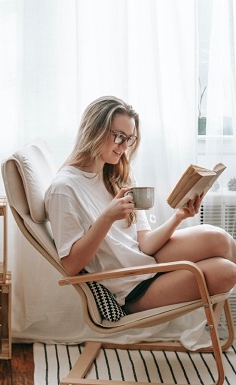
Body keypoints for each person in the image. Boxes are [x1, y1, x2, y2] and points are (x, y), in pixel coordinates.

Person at [44, 95, 236, 314]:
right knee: (226, 272)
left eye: (130, 139)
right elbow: (70, 266)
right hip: (131, 287)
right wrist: (107, 218)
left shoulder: (115, 175)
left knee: (219, 238)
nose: (125, 146)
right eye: (119, 137)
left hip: (146, 261)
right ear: (94, 130)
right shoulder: (64, 189)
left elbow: (144, 242)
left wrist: (179, 217)